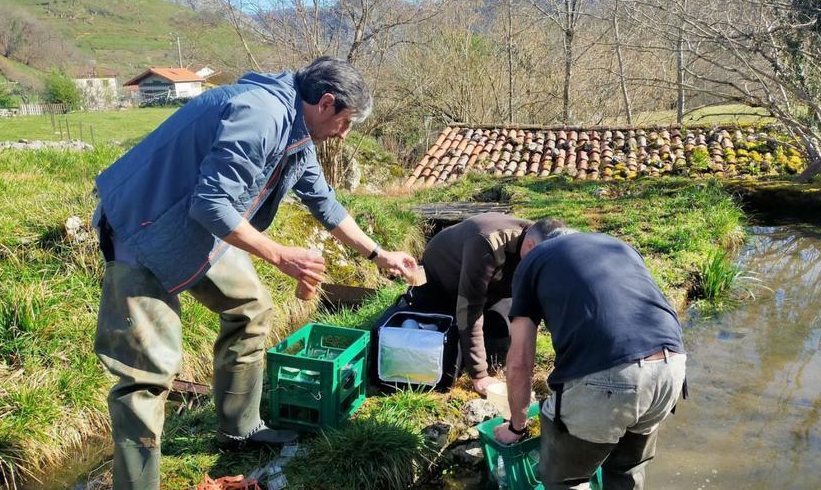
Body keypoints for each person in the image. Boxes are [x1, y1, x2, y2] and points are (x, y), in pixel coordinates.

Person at [92, 57, 416, 490]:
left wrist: (379, 255)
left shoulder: (299, 131)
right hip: (144, 228)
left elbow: (325, 202)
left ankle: (239, 428)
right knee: (146, 376)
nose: (345, 132)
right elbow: (211, 203)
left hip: (195, 230)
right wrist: (281, 256)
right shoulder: (260, 114)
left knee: (251, 308)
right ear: (325, 103)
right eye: (346, 121)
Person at [494, 226, 687, 490]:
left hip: (612, 376)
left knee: (566, 479)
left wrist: (517, 427)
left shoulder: (533, 261)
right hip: (672, 368)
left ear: (531, 245)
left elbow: (519, 362)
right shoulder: (618, 245)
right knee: (627, 469)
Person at [407, 214, 566, 395]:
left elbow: (548, 306)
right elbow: (469, 309)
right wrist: (479, 374)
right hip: (446, 274)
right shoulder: (487, 244)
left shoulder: (545, 243)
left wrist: (566, 366)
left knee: (501, 336)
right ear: (530, 246)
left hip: (494, 285)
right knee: (452, 355)